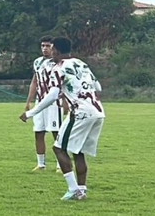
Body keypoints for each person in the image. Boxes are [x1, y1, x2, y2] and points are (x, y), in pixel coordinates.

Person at [21, 36, 105, 202]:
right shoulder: (81, 63)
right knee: (78, 151)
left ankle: (73, 189)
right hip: (98, 110)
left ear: (57, 50)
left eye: (51, 49)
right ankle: (82, 190)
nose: (50, 52)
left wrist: (30, 113)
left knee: (58, 148)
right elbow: (98, 86)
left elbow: (52, 95)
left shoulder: (58, 68)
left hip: (80, 112)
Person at [25, 37, 61, 171]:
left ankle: (60, 164)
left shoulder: (58, 62)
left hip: (53, 102)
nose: (45, 48)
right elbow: (34, 82)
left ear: (53, 47)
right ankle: (41, 164)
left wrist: (64, 102)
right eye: (42, 46)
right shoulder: (37, 62)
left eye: (47, 46)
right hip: (39, 101)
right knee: (38, 132)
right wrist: (29, 101)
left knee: (56, 133)